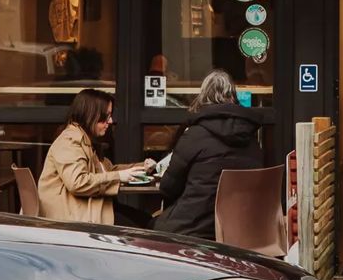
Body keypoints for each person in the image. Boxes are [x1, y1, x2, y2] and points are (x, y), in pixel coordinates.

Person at [154, 70, 266, 239]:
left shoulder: (194, 135)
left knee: (148, 227)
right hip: (238, 230)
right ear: (233, 96)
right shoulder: (251, 139)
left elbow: (168, 188)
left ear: (203, 96)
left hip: (191, 229)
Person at [38, 88, 150, 225]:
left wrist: (142, 167)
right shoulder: (70, 141)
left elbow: (109, 170)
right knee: (140, 228)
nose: (110, 121)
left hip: (87, 207)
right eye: (106, 116)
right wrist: (120, 176)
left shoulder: (85, 140)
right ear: (89, 115)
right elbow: (77, 183)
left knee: (146, 221)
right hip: (73, 216)